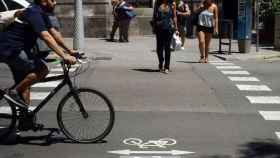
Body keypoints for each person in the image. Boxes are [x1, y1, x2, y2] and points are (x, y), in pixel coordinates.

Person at [0, 0, 76, 109]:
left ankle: (25, 120)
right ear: (43, 1)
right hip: (11, 49)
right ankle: (13, 92)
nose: (55, 3)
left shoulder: (42, 13)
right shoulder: (33, 12)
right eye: (52, 0)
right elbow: (46, 36)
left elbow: (53, 33)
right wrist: (64, 56)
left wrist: (70, 51)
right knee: (42, 69)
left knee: (24, 84)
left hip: (17, 49)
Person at [152, 0, 178, 74]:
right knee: (159, 48)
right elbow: (154, 16)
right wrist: (154, 27)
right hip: (159, 28)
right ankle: (161, 62)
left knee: (167, 48)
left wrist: (176, 28)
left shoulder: (172, 4)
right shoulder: (157, 3)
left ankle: (167, 67)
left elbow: (174, 17)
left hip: (169, 28)